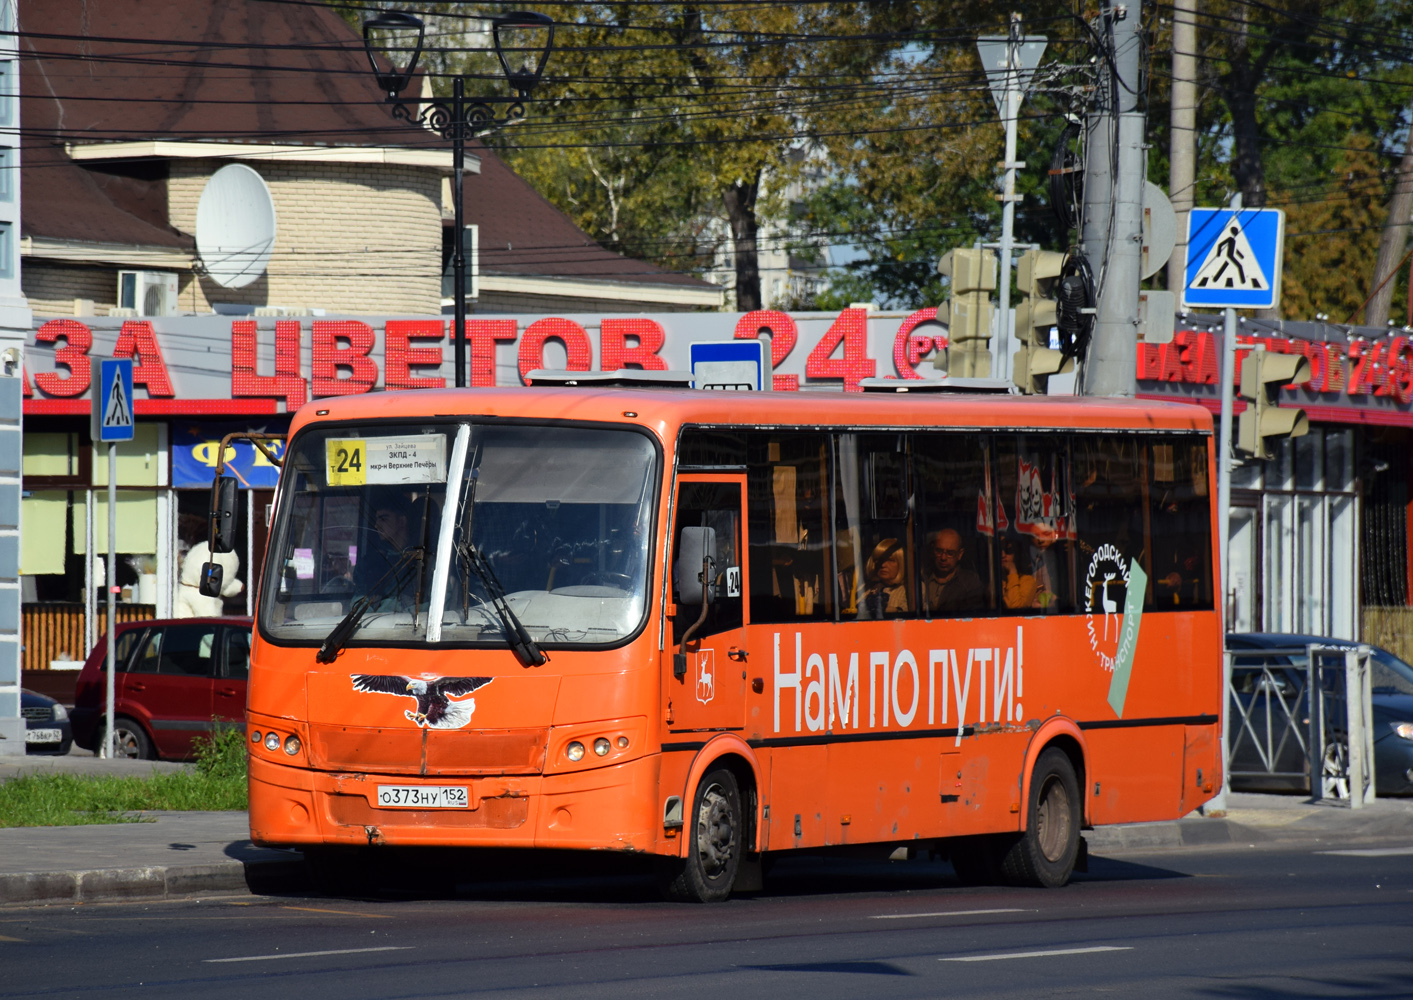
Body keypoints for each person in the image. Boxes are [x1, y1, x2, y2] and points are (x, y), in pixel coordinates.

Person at [922, 528, 983, 613]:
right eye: (939, 551)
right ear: (933, 550)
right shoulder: (923, 578)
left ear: (960, 554)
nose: (943, 557)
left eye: (950, 553)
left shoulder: (969, 583)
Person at [859, 538, 907, 618]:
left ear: (901, 563)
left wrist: (887, 609)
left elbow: (910, 618)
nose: (883, 565)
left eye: (890, 560)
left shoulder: (911, 590)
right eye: (879, 560)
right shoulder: (867, 589)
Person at [1000, 535, 1037, 609]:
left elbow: (1015, 608)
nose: (1003, 555)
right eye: (999, 550)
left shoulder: (1028, 580)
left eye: (1008, 550)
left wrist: (1012, 572)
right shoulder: (993, 580)